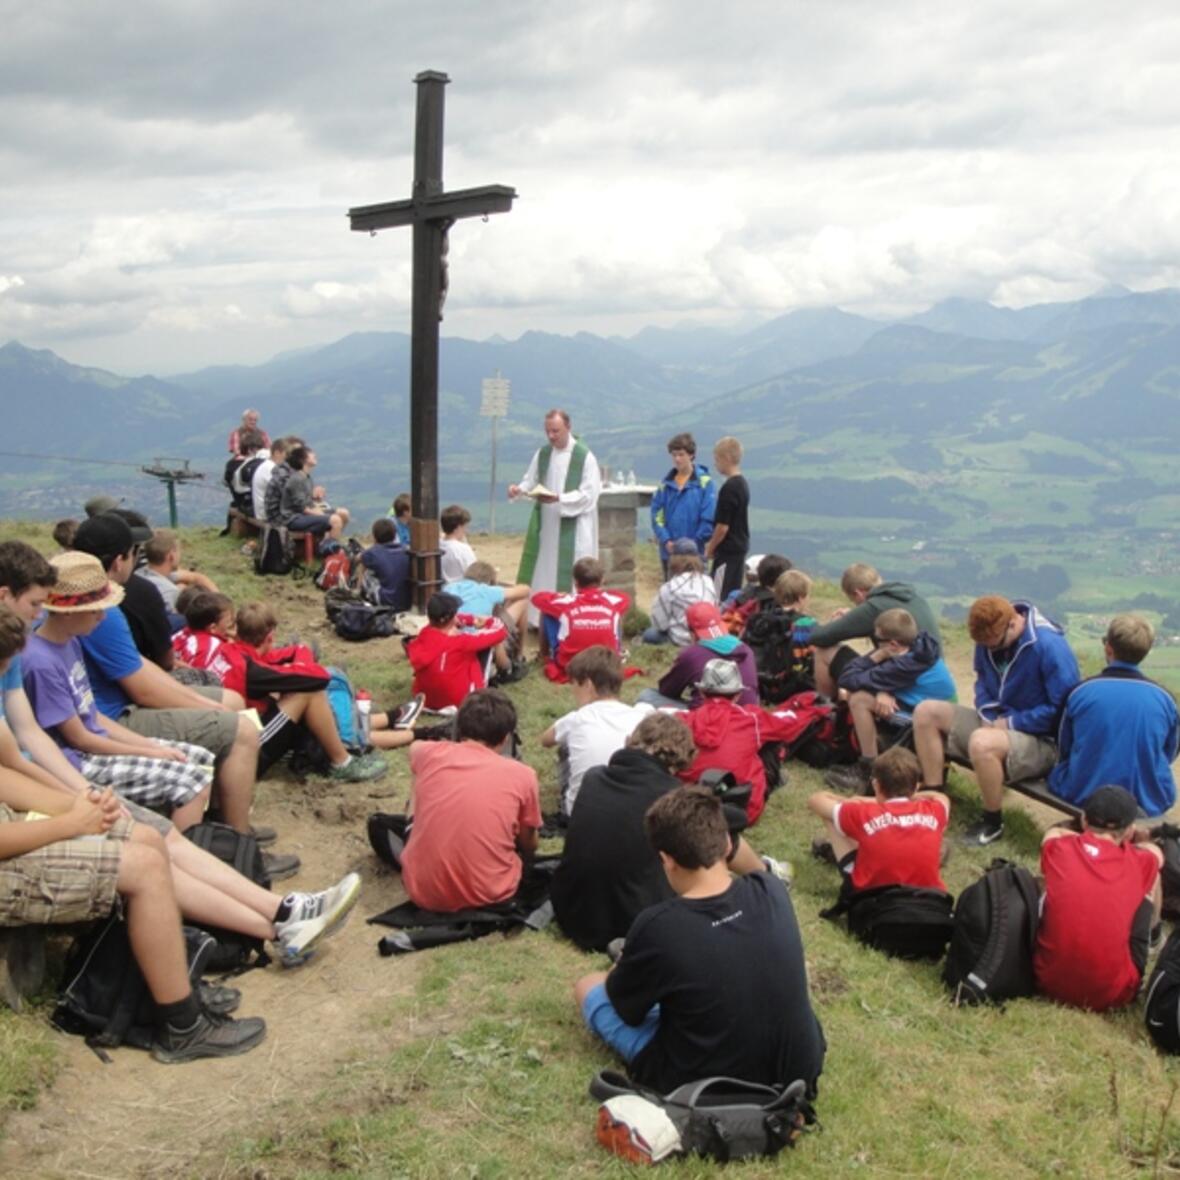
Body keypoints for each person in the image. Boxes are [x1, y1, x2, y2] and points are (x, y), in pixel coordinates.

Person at [0, 595, 365, 985]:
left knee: (161, 835)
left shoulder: (25, 654)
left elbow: (24, 752)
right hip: (36, 810)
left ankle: (284, 912)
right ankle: (268, 932)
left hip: (45, 790)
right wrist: (73, 813)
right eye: (35, 602)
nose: (38, 614)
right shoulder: (34, 654)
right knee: (149, 853)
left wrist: (78, 798)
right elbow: (30, 754)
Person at [573, 787, 825, 1095]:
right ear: (728, 843)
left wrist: (623, 967)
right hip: (796, 1072)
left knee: (590, 986)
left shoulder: (658, 926)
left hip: (703, 1085)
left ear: (667, 860)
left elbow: (626, 1009)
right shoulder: (770, 887)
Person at [59, 517, 263, 835]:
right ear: (118, 561)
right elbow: (144, 691)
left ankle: (218, 818)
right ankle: (238, 834)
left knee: (232, 702)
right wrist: (204, 706)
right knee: (243, 732)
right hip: (118, 714)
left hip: (109, 707)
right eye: (133, 553)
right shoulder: (102, 611)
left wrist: (199, 700)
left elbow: (137, 663)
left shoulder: (76, 602)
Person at [553, 714, 789, 953]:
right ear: (680, 762)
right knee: (711, 833)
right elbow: (738, 819)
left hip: (572, 913)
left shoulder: (594, 777)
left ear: (629, 741)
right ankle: (766, 876)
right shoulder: (670, 796)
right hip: (633, 921)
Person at [20, 553, 216, 832]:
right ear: (67, 612)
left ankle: (208, 834)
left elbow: (93, 715)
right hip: (77, 761)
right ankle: (188, 848)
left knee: (199, 757)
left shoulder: (71, 642)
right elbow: (81, 738)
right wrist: (147, 751)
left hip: (95, 746)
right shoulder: (40, 662)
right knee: (190, 781)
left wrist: (151, 746)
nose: (102, 617)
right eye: (94, 609)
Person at [913, 595, 1080, 846]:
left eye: (993, 645)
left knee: (982, 743)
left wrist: (1011, 723)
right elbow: (982, 681)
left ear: (1014, 623)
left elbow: (1063, 711)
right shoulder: (988, 638)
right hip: (996, 725)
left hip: (1042, 742)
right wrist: (988, 713)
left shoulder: (1050, 647)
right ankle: (934, 801)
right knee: (925, 712)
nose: (989, 650)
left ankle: (992, 822)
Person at [200, 602, 392, 780]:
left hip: (226, 739)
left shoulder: (231, 651)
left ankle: (363, 730)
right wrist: (301, 667)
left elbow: (294, 650)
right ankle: (342, 762)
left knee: (299, 687)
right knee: (310, 692)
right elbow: (318, 678)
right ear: (270, 637)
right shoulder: (252, 672)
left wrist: (298, 664)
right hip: (244, 752)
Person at [399, 690, 541, 912]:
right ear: (505, 739)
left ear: (459, 728)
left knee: (419, 775)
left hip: (421, 891)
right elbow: (529, 844)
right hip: (490, 894)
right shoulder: (523, 775)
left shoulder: (428, 754)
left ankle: (412, 831)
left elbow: (414, 749)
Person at [1034, 785, 1163, 1012]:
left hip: (1045, 977)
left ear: (1084, 820)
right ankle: (1153, 937)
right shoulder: (1142, 861)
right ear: (1130, 831)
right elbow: (1156, 854)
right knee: (1150, 883)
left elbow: (1053, 833)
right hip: (1112, 994)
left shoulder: (1059, 847)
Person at [1047, 614, 1178, 817]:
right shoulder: (1166, 700)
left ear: (1108, 648)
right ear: (1146, 651)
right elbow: (1169, 753)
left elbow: (1064, 746)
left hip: (1083, 791)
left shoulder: (1080, 693)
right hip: (1148, 798)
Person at [823, 608, 957, 794]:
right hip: (931, 708)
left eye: (878, 640)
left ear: (893, 644)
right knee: (863, 695)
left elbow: (847, 678)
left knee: (859, 699)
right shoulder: (919, 647)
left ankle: (868, 772)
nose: (876, 644)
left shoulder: (904, 664)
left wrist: (876, 656)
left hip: (927, 721)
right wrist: (882, 689)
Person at [677, 659, 816, 824]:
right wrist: (811, 707)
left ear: (701, 692)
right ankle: (772, 782)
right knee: (772, 741)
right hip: (742, 812)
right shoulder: (752, 719)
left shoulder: (681, 720)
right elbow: (789, 726)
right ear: (738, 695)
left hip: (688, 810)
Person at [807, 747, 950, 894]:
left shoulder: (864, 813)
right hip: (927, 899)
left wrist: (857, 801)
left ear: (876, 785)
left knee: (832, 817)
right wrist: (910, 797)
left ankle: (852, 867)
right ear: (916, 787)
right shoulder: (934, 810)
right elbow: (940, 797)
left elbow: (816, 800)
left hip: (872, 898)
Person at [511, 409, 602, 626]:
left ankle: (575, 620)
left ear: (568, 428)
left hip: (575, 526)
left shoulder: (584, 457)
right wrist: (519, 489)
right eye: (548, 431)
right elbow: (530, 480)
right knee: (546, 567)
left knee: (572, 569)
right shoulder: (543, 454)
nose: (551, 436)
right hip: (550, 524)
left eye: (556, 431)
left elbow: (589, 495)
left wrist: (560, 498)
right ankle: (541, 618)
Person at [540, 647, 651, 817]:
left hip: (581, 813)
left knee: (564, 746)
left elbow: (546, 740)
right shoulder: (640, 716)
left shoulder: (577, 719)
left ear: (588, 685)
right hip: (634, 809)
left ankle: (565, 805)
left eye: (574, 684)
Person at [808, 564, 941, 698]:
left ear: (858, 593)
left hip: (905, 682)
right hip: (932, 674)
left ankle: (825, 709)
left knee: (824, 652)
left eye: (854, 601)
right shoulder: (911, 596)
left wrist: (835, 622)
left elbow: (820, 637)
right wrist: (854, 615)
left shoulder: (873, 607)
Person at [638, 601, 758, 710]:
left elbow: (667, 690)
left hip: (706, 719)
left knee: (647, 695)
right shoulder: (746, 650)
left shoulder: (692, 654)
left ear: (692, 632)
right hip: (745, 716)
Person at [531, 557, 629, 682]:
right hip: (606, 663)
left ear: (575, 583)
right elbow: (624, 598)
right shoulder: (613, 601)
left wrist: (559, 595)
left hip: (570, 664)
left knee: (546, 610)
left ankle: (544, 656)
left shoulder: (566, 602)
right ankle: (618, 651)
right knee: (617, 613)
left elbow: (537, 599)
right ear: (602, 581)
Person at [407, 592, 508, 712]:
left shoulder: (424, 634)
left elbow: (446, 623)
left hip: (425, 700)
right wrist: (488, 621)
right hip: (461, 702)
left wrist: (470, 620)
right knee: (486, 645)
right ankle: (502, 672)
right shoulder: (461, 641)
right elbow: (501, 631)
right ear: (449, 618)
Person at [650, 432, 717, 576]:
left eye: (681, 455)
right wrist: (666, 540)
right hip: (669, 553)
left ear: (691, 455)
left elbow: (708, 518)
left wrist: (693, 544)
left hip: (695, 554)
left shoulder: (705, 483)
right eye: (674, 455)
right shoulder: (665, 485)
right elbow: (657, 516)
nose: (677, 459)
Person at [702, 436, 749, 601]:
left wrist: (710, 548)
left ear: (727, 459)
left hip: (728, 550)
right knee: (732, 594)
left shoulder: (729, 488)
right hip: (739, 547)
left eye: (717, 459)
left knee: (718, 595)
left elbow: (723, 526)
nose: (715, 464)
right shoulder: (742, 483)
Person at [643, 550, 717, 646]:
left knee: (649, 634)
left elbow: (660, 625)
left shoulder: (669, 586)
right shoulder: (708, 581)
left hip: (680, 639)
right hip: (707, 637)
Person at [141, 529, 219, 618]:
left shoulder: (140, 573)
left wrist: (219, 599)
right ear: (171, 556)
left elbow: (195, 577)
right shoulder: (171, 593)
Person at [277, 446, 347, 543]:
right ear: (303, 460)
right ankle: (330, 551)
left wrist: (315, 498)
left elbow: (307, 501)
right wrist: (322, 514)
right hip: (294, 518)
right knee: (336, 520)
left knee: (344, 513)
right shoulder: (296, 479)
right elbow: (302, 508)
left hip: (304, 515)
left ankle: (329, 542)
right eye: (310, 453)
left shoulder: (307, 477)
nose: (314, 455)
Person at [361, 518, 411, 611]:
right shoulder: (406, 550)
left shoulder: (371, 553)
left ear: (374, 537)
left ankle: (360, 595)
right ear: (394, 535)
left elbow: (361, 558)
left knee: (367, 573)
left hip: (385, 601)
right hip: (406, 602)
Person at [255, 435, 299, 523]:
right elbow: (285, 493)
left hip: (265, 510)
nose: (288, 458)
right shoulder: (272, 469)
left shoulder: (267, 465)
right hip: (267, 514)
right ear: (277, 453)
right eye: (286, 454)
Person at [439, 505, 477, 584]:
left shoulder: (438, 545)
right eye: (465, 527)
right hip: (460, 591)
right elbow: (475, 575)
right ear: (458, 528)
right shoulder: (463, 550)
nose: (466, 531)